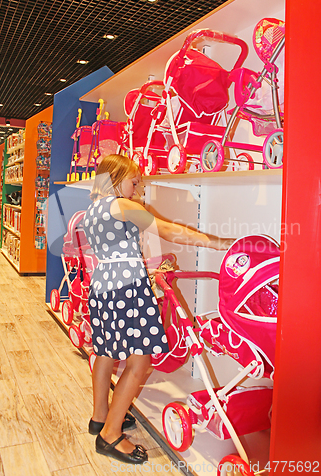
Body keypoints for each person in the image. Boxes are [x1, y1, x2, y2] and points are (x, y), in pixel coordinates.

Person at [83, 154, 235, 464]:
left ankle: (100, 417)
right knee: (140, 360)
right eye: (133, 179)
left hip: (102, 286)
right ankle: (109, 435)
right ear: (115, 177)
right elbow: (169, 230)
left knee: (105, 352)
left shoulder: (92, 210)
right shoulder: (122, 206)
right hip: (127, 289)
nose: (136, 184)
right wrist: (219, 243)